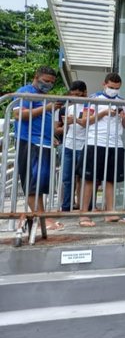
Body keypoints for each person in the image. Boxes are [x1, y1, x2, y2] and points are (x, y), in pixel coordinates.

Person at [13, 66, 64, 234]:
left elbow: (49, 122)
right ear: (37, 77)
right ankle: (41, 218)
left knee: (40, 184)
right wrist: (46, 108)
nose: (49, 84)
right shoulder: (26, 91)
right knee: (32, 182)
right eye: (46, 81)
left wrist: (53, 137)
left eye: (52, 82)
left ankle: (38, 216)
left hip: (45, 143)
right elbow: (19, 114)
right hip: (30, 141)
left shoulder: (46, 97)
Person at [78, 73, 125, 227]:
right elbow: (84, 121)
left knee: (111, 179)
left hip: (115, 144)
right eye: (111, 87)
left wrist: (123, 116)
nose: (114, 90)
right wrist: (103, 113)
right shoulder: (94, 99)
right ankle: (84, 214)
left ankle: (110, 212)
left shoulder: (123, 102)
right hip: (96, 142)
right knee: (90, 179)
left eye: (117, 88)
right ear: (104, 84)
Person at [56, 81, 88, 212]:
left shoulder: (91, 105)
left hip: (85, 145)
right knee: (67, 178)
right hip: (68, 145)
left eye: (79, 95)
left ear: (85, 93)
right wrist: (65, 125)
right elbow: (59, 129)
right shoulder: (66, 107)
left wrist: (75, 120)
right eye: (73, 94)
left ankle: (85, 206)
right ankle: (66, 205)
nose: (76, 97)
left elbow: (88, 123)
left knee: (85, 178)